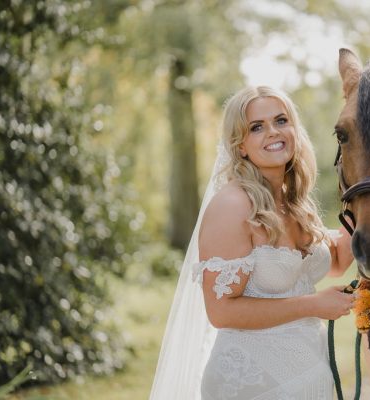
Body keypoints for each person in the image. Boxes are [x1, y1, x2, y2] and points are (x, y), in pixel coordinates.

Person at [149, 86, 355, 400]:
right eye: (257, 127)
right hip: (253, 385)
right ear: (240, 145)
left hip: (307, 379)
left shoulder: (294, 203)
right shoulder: (233, 205)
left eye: (281, 120)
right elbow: (221, 312)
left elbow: (337, 260)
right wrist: (313, 305)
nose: (273, 132)